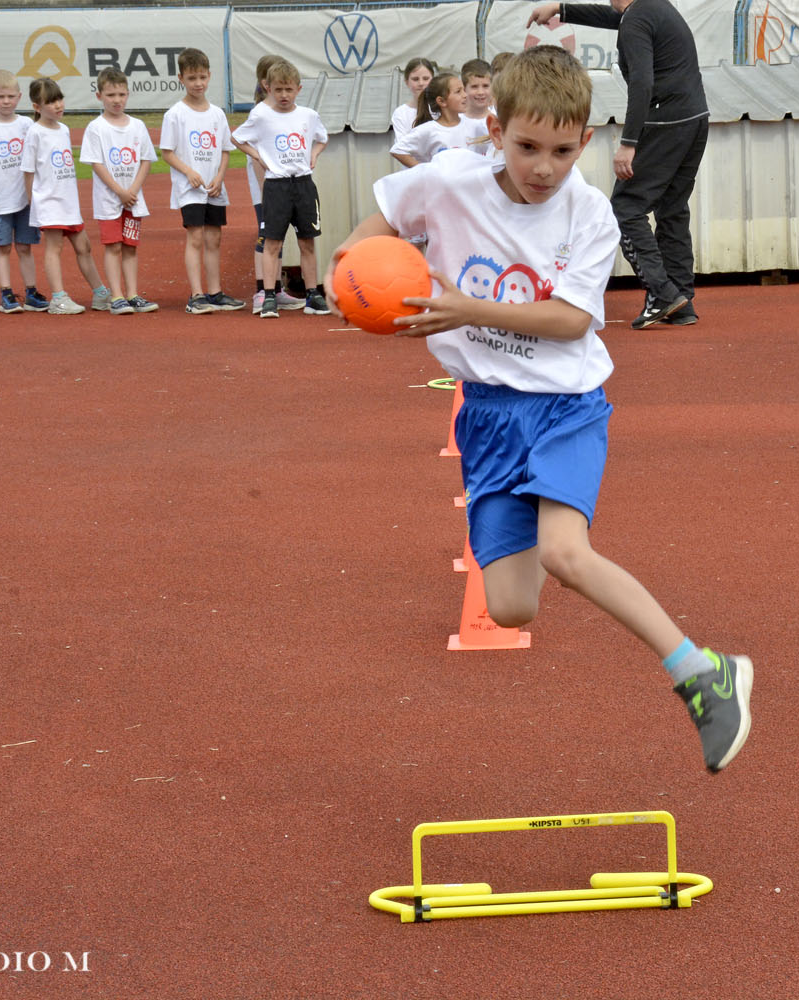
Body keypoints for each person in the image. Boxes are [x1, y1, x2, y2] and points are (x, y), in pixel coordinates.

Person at [325, 46, 752, 773]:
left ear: (584, 143)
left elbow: (569, 321)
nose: (542, 167)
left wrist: (466, 306)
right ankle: (695, 668)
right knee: (514, 604)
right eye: (526, 147)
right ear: (495, 130)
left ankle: (702, 672)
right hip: (489, 416)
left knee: (565, 553)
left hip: (565, 405)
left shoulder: (588, 215)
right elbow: (382, 218)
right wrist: (353, 268)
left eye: (560, 150)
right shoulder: (451, 181)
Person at [529, 0, 706, 328]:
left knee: (626, 208)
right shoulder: (652, 8)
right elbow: (614, 17)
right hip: (695, 118)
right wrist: (560, 9)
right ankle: (681, 301)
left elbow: (642, 82)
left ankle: (663, 293)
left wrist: (629, 144)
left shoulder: (636, 19)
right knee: (672, 208)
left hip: (665, 120)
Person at [231, 57, 330, 318]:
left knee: (307, 242)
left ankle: (312, 296)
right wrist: (259, 156)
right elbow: (237, 137)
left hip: (304, 184)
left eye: (288, 89)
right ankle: (269, 296)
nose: (284, 95)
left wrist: (315, 155)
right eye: (278, 90)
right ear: (268, 89)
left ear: (298, 89)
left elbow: (322, 138)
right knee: (272, 242)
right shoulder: (261, 115)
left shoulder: (309, 115)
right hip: (276, 186)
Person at [161, 48, 242, 315]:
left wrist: (219, 176)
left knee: (214, 238)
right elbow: (167, 152)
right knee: (195, 238)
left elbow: (225, 150)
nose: (198, 83)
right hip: (190, 188)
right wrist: (188, 172)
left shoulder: (217, 114)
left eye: (203, 77)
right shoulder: (175, 114)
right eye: (192, 78)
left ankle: (215, 292)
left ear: (210, 76)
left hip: (214, 187)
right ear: (180, 78)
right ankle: (196, 295)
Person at [21, 77, 110, 315]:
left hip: (68, 201)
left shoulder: (64, 129)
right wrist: (34, 201)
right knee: (54, 247)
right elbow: (28, 172)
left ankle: (100, 293)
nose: (58, 105)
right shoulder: (35, 133)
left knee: (84, 246)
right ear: (37, 107)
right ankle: (59, 298)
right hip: (48, 201)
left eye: (59, 99)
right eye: (50, 102)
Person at [81, 68, 158, 315]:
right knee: (113, 246)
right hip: (108, 201)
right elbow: (97, 163)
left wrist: (132, 190)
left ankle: (133, 294)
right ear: (99, 96)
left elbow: (146, 159)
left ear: (128, 94)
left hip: (133, 200)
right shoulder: (96, 128)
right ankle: (116, 296)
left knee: (130, 246)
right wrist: (119, 191)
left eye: (121, 94)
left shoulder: (138, 125)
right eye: (111, 94)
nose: (117, 100)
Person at [0, 70, 47, 314]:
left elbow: (37, 157)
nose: (6, 101)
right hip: (0, 199)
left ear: (20, 97)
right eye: (0, 96)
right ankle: (6, 292)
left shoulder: (26, 124)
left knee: (25, 246)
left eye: (11, 96)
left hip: (25, 198)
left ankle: (31, 291)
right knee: (2, 247)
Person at [389, 72, 489, 168]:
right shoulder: (428, 130)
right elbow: (397, 150)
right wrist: (424, 170)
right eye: (458, 91)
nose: (465, 95)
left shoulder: (476, 126)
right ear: (441, 101)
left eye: (463, 90)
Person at [391, 57, 435, 138]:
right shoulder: (401, 113)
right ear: (407, 82)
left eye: (426, 79)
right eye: (415, 79)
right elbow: (402, 147)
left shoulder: (442, 108)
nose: (421, 83)